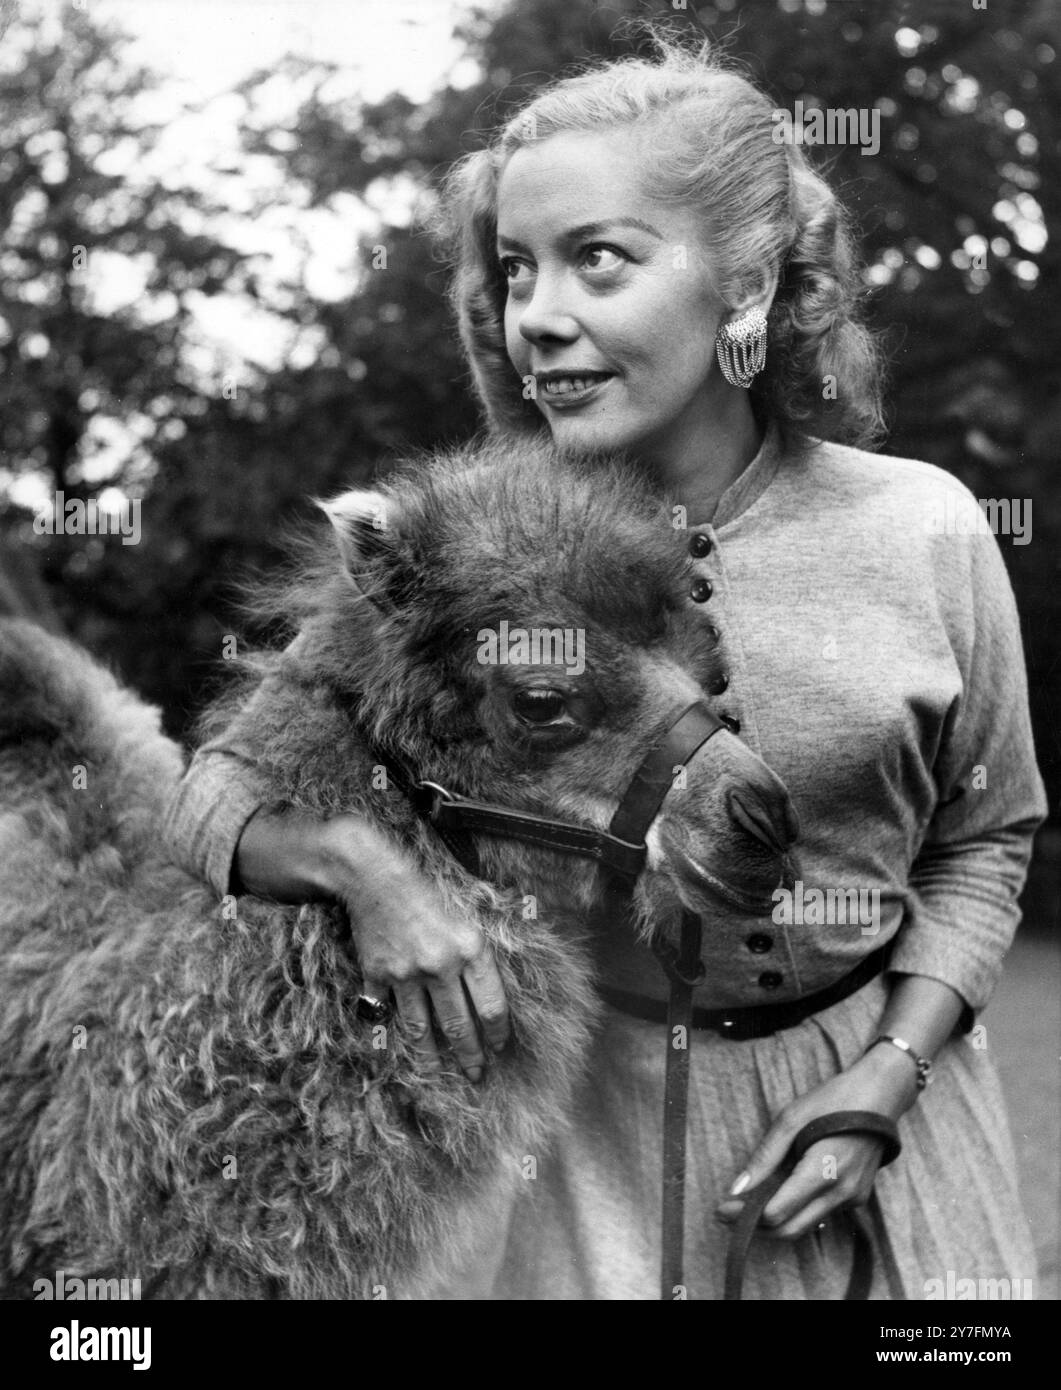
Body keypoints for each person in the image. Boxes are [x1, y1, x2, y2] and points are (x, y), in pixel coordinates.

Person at [163, 34, 1047, 1300]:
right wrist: (367, 877)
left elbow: (986, 838)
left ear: (742, 287)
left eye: (598, 260)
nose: (537, 316)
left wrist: (883, 1078)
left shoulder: (925, 527)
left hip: (883, 1132)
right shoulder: (466, 560)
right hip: (598, 1159)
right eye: (516, 269)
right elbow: (211, 799)